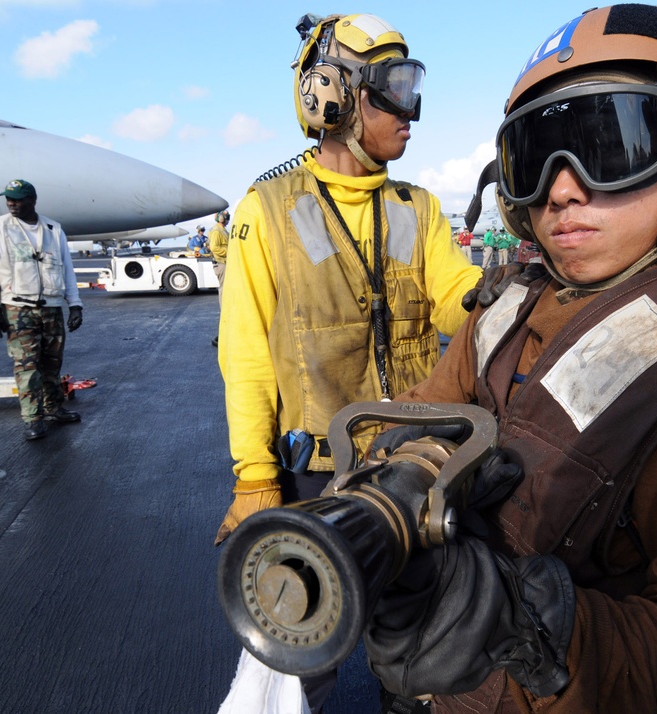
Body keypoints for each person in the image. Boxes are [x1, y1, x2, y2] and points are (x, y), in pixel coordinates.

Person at [361, 6, 657, 713]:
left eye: (609, 144)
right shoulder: (501, 309)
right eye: (537, 156)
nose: (563, 188)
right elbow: (427, 412)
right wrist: (403, 471)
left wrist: (529, 629)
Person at [214, 12, 480, 710]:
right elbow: (245, 354)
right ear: (330, 96)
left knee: (425, 652)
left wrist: (506, 298)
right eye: (392, 88)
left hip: (410, 463)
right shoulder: (267, 210)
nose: (411, 112)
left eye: (413, 85)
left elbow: (457, 294)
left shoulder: (415, 207)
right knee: (298, 652)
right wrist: (255, 480)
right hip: (318, 476)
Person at [0, 179, 84, 441]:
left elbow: (66, 268)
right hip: (18, 308)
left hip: (51, 307)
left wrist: (75, 304)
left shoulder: (52, 229)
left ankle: (53, 408)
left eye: (18, 199)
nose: (11, 203)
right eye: (9, 199)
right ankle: (32, 418)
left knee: (52, 363)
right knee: (26, 366)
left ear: (32, 200)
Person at [209, 210, 230, 347]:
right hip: (221, 263)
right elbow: (214, 247)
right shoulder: (217, 231)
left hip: (225, 262)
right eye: (227, 218)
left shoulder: (223, 230)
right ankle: (224, 309)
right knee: (223, 289)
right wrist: (230, 251)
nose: (228, 220)